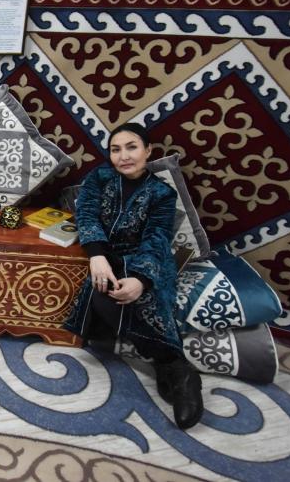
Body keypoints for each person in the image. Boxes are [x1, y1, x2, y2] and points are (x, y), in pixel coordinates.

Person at [63, 122, 203, 430]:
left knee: (146, 299)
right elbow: (85, 214)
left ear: (148, 151)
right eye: (116, 149)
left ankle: (179, 372)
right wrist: (97, 255)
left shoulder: (162, 193)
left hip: (148, 259)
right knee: (103, 293)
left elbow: (156, 237)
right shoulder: (98, 178)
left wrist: (141, 279)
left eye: (132, 147)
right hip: (109, 257)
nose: (123, 156)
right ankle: (170, 365)